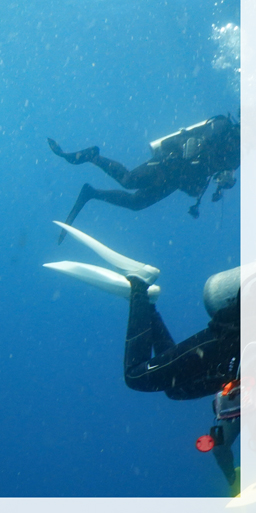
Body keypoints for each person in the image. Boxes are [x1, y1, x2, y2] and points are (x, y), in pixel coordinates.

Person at [125, 267, 241, 494]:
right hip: (226, 342)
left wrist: (232, 480)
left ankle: (148, 305)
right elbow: (221, 446)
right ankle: (139, 285)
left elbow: (221, 445)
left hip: (232, 360)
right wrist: (233, 482)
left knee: (175, 389)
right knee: (136, 376)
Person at [48, 114, 240, 243]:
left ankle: (91, 193)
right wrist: (196, 145)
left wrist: (224, 183)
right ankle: (92, 156)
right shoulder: (223, 126)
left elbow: (222, 172)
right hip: (169, 163)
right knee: (129, 180)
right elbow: (202, 140)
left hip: (178, 179)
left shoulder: (238, 156)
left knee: (136, 203)